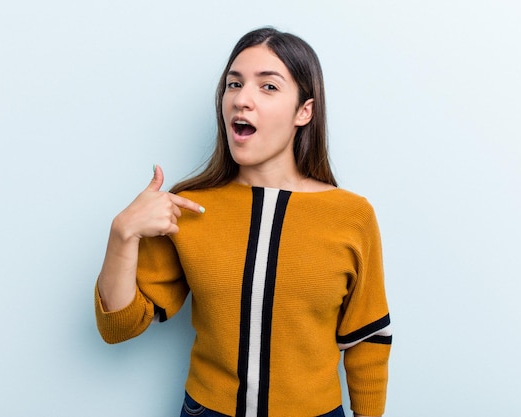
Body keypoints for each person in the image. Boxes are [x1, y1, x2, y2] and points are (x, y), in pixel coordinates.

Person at [95, 27, 392, 417]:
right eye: (234, 84)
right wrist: (122, 233)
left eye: (268, 87)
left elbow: (366, 337)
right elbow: (119, 328)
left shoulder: (351, 215)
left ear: (305, 111)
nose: (242, 99)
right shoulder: (190, 207)